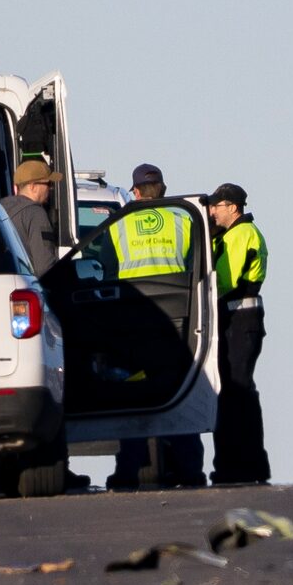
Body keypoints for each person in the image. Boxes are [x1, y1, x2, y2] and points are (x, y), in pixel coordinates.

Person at [107, 164, 204, 489]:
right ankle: (190, 470)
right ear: (162, 189)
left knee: (136, 393)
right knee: (180, 392)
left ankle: (128, 471)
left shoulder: (120, 222)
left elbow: (104, 265)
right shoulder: (183, 218)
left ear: (135, 191)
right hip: (178, 319)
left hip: (136, 319)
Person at [205, 183, 270, 485]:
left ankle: (239, 465)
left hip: (239, 318)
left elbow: (224, 281)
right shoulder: (234, 234)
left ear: (232, 207)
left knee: (235, 391)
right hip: (242, 319)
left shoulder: (240, 235)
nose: (212, 211)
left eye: (216, 206)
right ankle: (247, 463)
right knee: (238, 391)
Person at [2, 157, 60, 278]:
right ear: (33, 186)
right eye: (48, 184)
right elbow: (45, 267)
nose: (50, 188)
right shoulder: (36, 214)